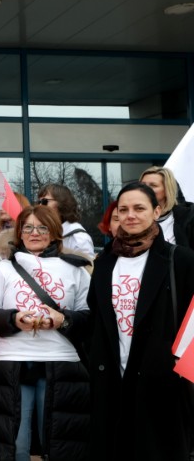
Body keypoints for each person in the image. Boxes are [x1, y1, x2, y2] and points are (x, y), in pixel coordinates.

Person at [0, 205, 91, 461]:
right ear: (19, 232)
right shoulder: (2, 269)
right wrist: (14, 319)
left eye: (42, 227)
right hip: (11, 363)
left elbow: (88, 317)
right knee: (15, 445)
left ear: (54, 232)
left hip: (62, 364)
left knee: (58, 444)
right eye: (28, 227)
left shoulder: (76, 270)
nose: (35, 233)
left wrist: (63, 320)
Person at [88, 182, 194, 461]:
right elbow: (95, 316)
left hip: (162, 383)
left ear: (157, 210)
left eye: (139, 208)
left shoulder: (179, 259)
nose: (130, 215)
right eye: (123, 209)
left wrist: (176, 364)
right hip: (111, 382)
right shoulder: (105, 262)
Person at [140, 165, 194, 246]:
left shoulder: (188, 218)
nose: (145, 189)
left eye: (153, 185)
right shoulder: (131, 216)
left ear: (167, 190)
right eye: (142, 185)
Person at [37, 184, 95, 258]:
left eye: (44, 201)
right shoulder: (41, 233)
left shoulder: (78, 239)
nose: (40, 206)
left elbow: (86, 269)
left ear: (62, 204)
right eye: (39, 202)